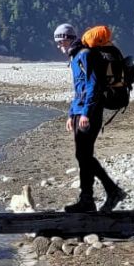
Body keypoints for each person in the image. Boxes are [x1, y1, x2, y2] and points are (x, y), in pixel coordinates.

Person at [53, 23, 126, 214]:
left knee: (84, 155)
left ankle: (108, 192)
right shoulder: (76, 57)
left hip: (90, 113)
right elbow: (78, 89)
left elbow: (93, 86)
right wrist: (71, 114)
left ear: (67, 38)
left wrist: (86, 113)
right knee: (82, 156)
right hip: (80, 112)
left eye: (60, 41)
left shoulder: (85, 55)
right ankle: (90, 198)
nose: (59, 46)